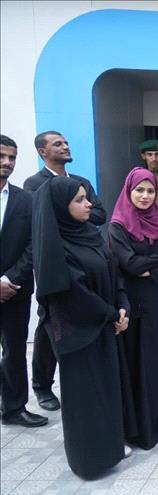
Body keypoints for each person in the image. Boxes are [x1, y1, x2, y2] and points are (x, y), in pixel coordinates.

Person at [31, 176, 130, 479]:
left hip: (104, 325)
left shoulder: (89, 235)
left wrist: (122, 304)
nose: (89, 205)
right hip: (79, 334)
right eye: (79, 200)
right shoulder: (56, 246)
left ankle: (110, 448)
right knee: (86, 398)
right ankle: (89, 460)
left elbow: (112, 269)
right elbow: (73, 293)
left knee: (107, 391)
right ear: (61, 207)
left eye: (86, 197)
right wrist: (111, 313)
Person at [24, 130, 107, 413]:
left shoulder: (80, 182)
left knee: (86, 314)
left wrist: (72, 216)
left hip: (84, 254)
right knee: (52, 324)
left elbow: (99, 214)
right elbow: (38, 224)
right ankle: (42, 385)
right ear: (42, 152)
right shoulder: (35, 184)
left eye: (66, 142)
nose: (65, 146)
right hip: (53, 260)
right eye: (57, 144)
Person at [108, 167, 158, 450]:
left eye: (150, 190)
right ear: (128, 191)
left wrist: (152, 268)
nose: (145, 196)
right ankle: (145, 421)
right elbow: (129, 264)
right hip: (138, 303)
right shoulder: (118, 226)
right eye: (139, 190)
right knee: (142, 359)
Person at [0, 134, 47, 427]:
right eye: (2, 156)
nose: (7, 163)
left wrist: (8, 278)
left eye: (12, 157)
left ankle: (14, 408)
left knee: (14, 351)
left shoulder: (25, 200)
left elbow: (33, 244)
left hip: (14, 289)